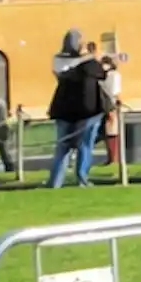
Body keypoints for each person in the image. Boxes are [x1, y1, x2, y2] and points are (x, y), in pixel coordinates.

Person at [47, 31, 110, 188]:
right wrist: (93, 57)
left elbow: (60, 74)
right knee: (85, 145)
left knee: (62, 147)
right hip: (87, 110)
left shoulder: (58, 61)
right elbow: (102, 73)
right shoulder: (89, 63)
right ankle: (82, 179)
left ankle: (55, 181)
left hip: (64, 109)